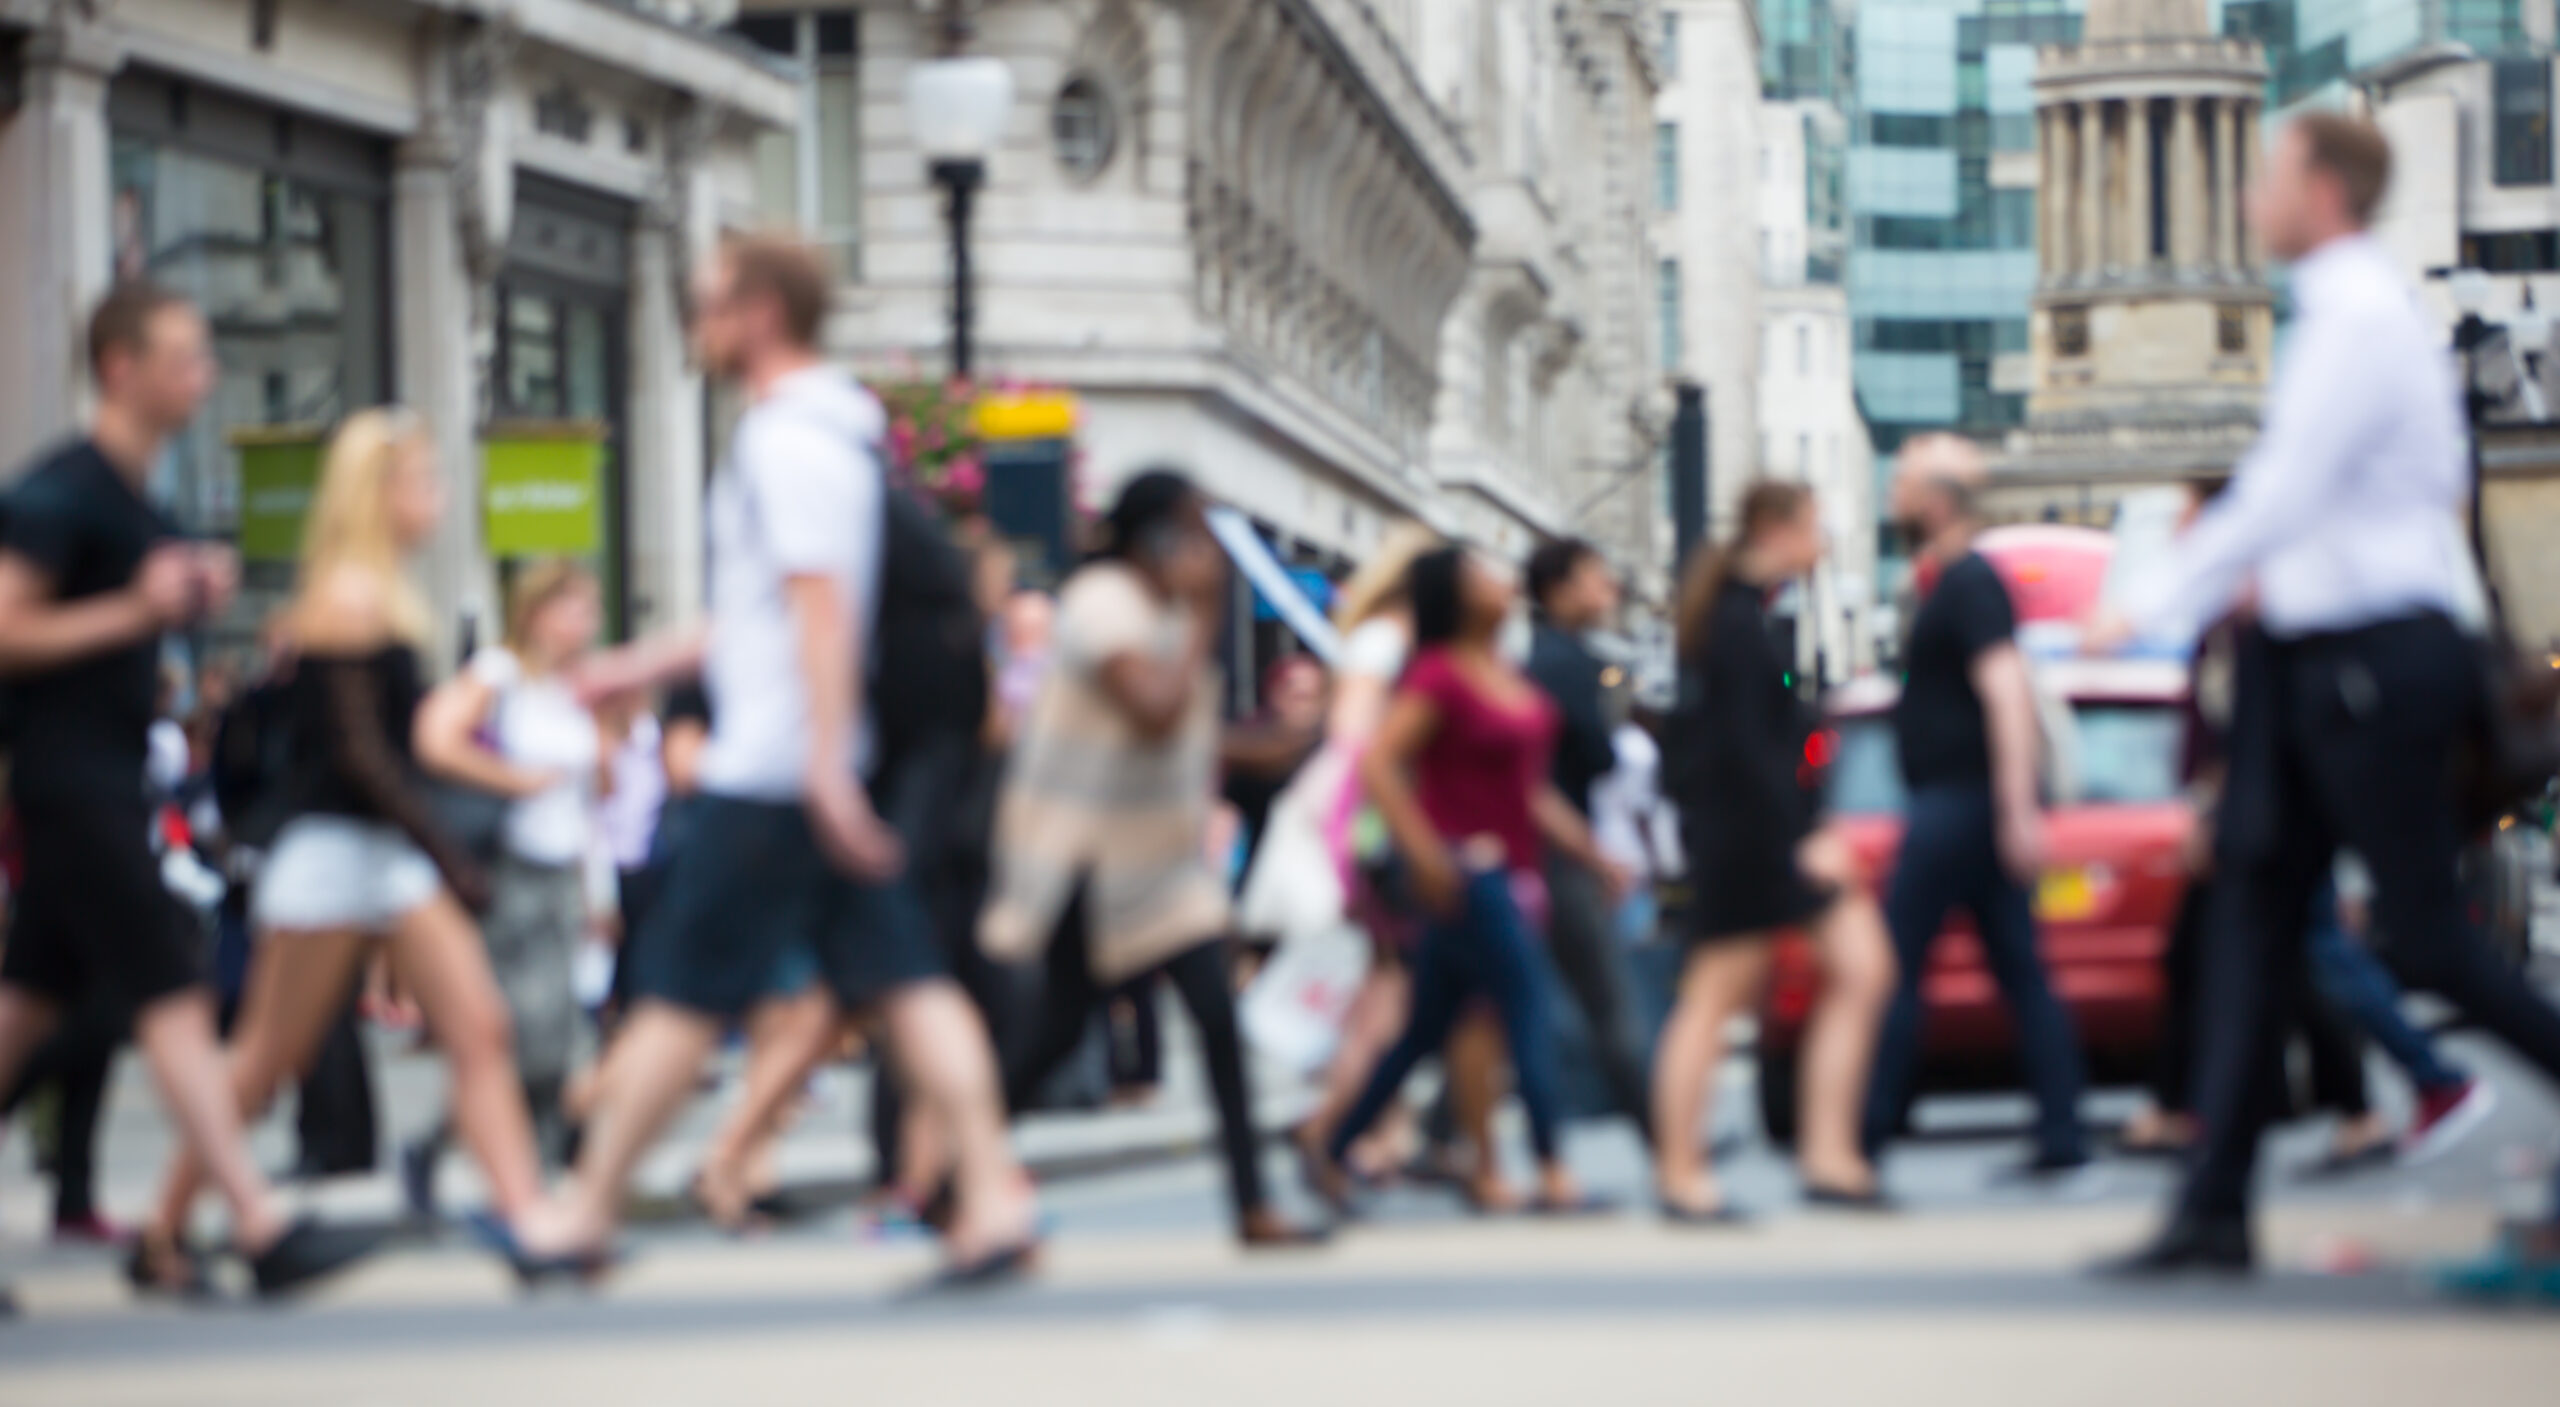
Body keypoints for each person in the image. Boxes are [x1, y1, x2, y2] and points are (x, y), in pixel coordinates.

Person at [2089, 113, 2560, 1281]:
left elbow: (2284, 488)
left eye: (2269, 175)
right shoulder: (2335, 313)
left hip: (2368, 663)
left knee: (2422, 937)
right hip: (2309, 658)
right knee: (2248, 922)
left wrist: (2148, 602)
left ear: (2322, 188)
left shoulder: (2353, 312)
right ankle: (2211, 1212)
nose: (2251, 195)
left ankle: (2212, 1209)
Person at [518, 235, 1039, 1283]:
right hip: (806, 763)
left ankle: (586, 1212)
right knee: (908, 984)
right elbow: (758, 617)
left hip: (776, 771)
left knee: (679, 994)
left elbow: (817, 608)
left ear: (759, 312)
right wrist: (634, 663)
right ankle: (992, 1197)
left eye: (708, 301)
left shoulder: (786, 442)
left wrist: (822, 768)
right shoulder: (826, 437)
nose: (694, 318)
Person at [0, 283, 376, 1298]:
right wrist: (135, 609)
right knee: (172, 992)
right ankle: (254, 1222)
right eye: (183, 355)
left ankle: (200, 1232)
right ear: (119, 366)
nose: (202, 374)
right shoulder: (61, 490)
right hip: (73, 784)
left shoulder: (139, 500)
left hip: (107, 777)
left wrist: (178, 596)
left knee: (26, 1013)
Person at [134, 408, 555, 1284]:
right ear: (381, 491)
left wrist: (433, 859)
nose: (438, 497)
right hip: (333, 856)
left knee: (480, 1028)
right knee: (264, 1060)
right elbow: (362, 757)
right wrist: (450, 854)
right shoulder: (350, 598)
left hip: (381, 856)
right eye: (425, 479)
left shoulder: (380, 593)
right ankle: (162, 1230)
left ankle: (532, 1224)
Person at [979, 471, 1323, 1249]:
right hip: (1084, 855)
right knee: (1051, 1036)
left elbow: (1199, 736)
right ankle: (944, 1178)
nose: (1207, 552)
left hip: (1157, 866)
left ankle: (1251, 1205)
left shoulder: (1162, 613)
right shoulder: (1104, 603)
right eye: (1195, 532)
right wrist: (1205, 610)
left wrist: (1314, 735)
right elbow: (1156, 706)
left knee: (1215, 1023)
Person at [1305, 546, 1620, 1217]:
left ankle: (1330, 1148)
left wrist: (1594, 855)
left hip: (1515, 871)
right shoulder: (1438, 675)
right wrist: (1429, 856)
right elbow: (1381, 766)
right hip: (1469, 875)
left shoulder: (1500, 669)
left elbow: (1528, 790)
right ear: (1455, 591)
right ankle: (1552, 1165)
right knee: (1528, 1006)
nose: (1501, 581)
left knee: (1427, 1028)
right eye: (1483, 574)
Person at [1655, 483, 1895, 1221]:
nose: (1823, 541)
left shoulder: (1750, 617)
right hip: (1751, 844)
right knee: (1715, 999)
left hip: (1763, 838)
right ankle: (1683, 1174)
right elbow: (1742, 753)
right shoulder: (1733, 622)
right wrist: (1803, 837)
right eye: (1815, 526)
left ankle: (1829, 1155)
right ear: (1775, 528)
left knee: (1863, 970)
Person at [1862, 434, 2090, 1181]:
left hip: (1960, 805)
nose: (1890, 494)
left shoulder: (1969, 583)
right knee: (2017, 967)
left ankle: (1866, 1130)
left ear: (1936, 498)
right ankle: (2061, 1131)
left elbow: (2005, 691)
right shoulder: (1950, 581)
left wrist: (2016, 809)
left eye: (1900, 481)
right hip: (1967, 803)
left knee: (1897, 964)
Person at [411, 560, 606, 1186]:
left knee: (558, 1027)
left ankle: (529, 1166)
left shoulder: (578, 687)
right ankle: (463, 1148)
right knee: (527, 1026)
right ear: (538, 612)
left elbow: (594, 794)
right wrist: (512, 781)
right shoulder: (500, 674)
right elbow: (437, 739)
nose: (587, 623)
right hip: (513, 866)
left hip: (564, 868)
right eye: (575, 608)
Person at [1521, 538, 1656, 1145]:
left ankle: (1436, 1130)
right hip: (1563, 852)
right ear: (1561, 587)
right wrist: (1597, 856)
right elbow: (1590, 757)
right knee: (1609, 1001)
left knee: (1493, 1001)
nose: (1609, 590)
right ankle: (1663, 1132)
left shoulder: (1538, 662)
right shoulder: (1568, 666)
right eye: (1596, 578)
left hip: (1542, 850)